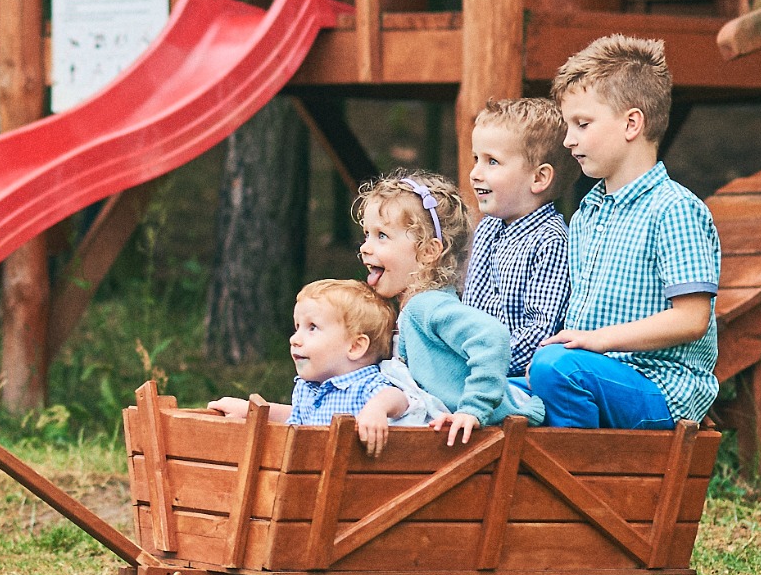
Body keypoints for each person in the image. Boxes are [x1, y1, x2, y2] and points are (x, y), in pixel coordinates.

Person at [530, 35, 720, 430]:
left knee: (555, 369)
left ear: (632, 123)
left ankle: (586, 477)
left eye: (582, 124)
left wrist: (601, 339)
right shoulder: (587, 213)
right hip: (594, 375)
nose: (568, 140)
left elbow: (692, 318)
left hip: (660, 389)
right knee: (498, 388)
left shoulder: (674, 210)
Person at [356, 170, 545, 448]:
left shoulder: (427, 306)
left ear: (428, 252)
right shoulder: (410, 310)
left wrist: (473, 409)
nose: (365, 247)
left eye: (382, 236)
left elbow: (491, 337)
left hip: (495, 427)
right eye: (367, 235)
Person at [207, 280, 396, 447]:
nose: (294, 339)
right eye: (297, 328)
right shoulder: (306, 388)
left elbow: (397, 397)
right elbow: (294, 423)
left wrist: (377, 409)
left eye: (312, 328)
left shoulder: (366, 385)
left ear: (355, 346)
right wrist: (251, 412)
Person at [464, 97, 572, 379]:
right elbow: (470, 308)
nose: (475, 174)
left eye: (492, 162)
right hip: (470, 361)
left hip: (511, 376)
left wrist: (482, 363)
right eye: (476, 159)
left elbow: (540, 330)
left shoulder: (551, 241)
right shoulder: (488, 228)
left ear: (539, 178)